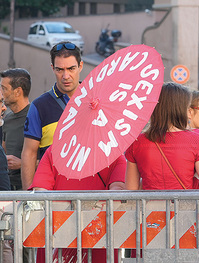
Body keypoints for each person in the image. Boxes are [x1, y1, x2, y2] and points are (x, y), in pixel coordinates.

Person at [29, 145, 126, 262]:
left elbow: (41, 191)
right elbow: (118, 191)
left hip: (56, 236)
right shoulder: (114, 154)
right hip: (99, 236)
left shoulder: (54, 151)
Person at [125, 82, 199, 190]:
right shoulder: (196, 141)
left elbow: (130, 190)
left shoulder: (137, 142)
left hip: (150, 206)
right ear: (181, 110)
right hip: (184, 206)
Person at [22, 41, 83, 190]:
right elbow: (29, 153)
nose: (66, 75)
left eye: (71, 68)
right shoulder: (39, 106)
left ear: (80, 66)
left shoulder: (96, 100)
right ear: (52, 68)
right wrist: (29, 197)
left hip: (93, 190)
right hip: (53, 192)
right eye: (59, 70)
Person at [1, 68, 31, 190]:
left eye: (4, 88)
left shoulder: (36, 116)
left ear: (18, 92)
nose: (1, 93)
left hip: (28, 192)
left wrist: (22, 164)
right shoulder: (7, 119)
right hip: (8, 190)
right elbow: (3, 152)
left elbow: (50, 159)